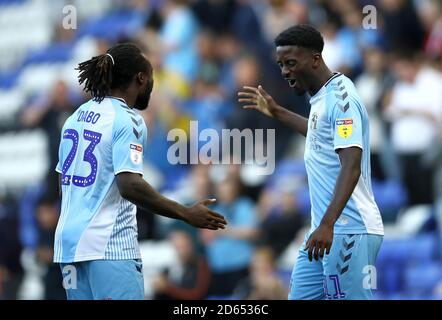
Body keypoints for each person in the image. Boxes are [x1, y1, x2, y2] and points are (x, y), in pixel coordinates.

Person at [54, 43, 227, 300]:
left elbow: (62, 182)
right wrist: (185, 212)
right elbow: (130, 185)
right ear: (141, 78)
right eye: (153, 78)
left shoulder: (75, 117)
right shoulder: (129, 119)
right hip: (109, 246)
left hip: (68, 247)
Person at [238, 24, 384, 300]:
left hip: (347, 228)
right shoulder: (320, 98)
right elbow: (321, 134)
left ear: (315, 58)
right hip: (322, 231)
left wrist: (328, 224)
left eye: (291, 63)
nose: (284, 71)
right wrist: (278, 112)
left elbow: (351, 164)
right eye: (281, 64)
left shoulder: (342, 98)